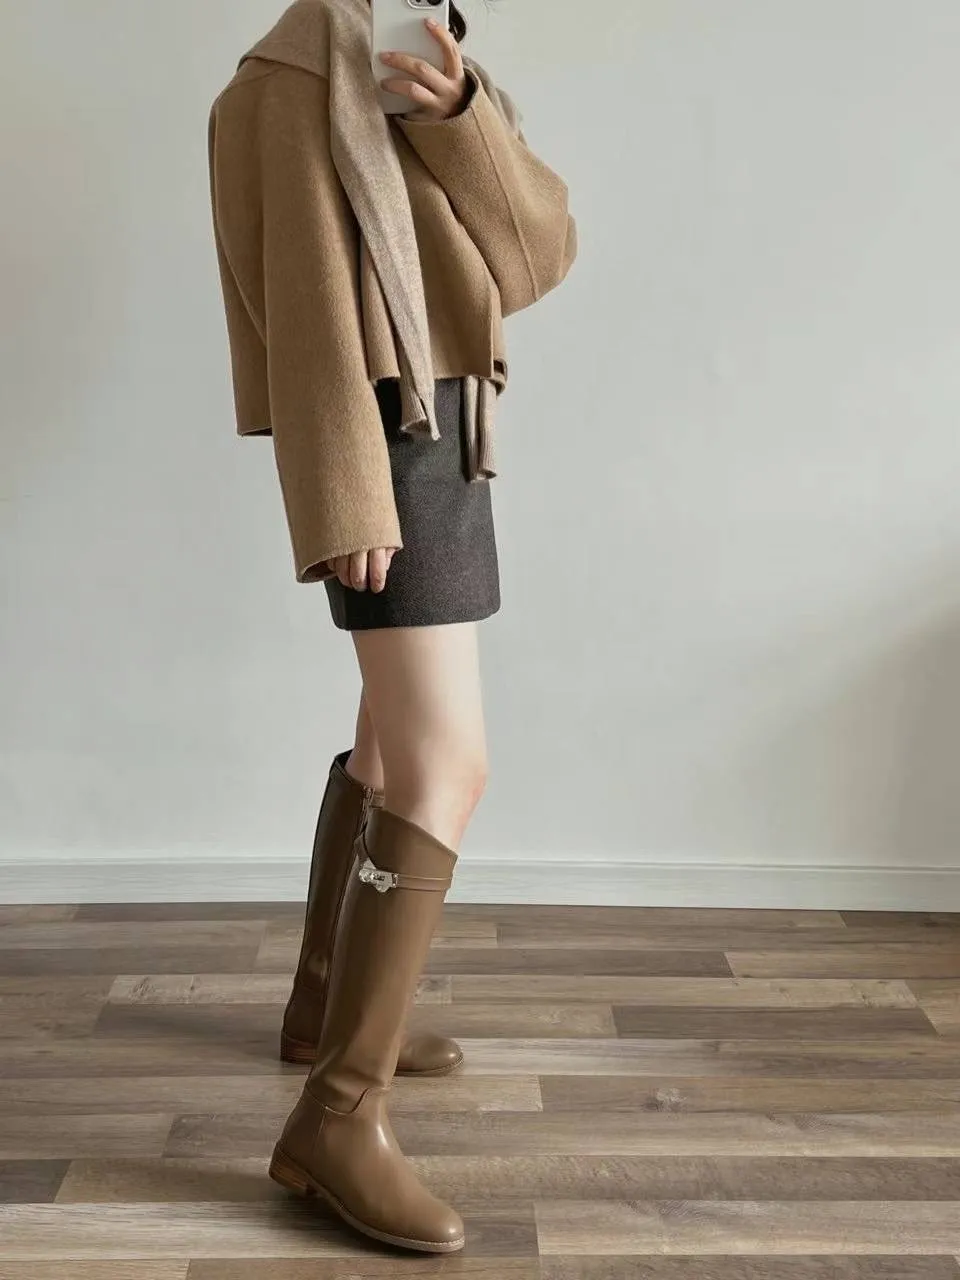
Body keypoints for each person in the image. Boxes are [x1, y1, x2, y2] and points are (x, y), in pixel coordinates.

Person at [208, 0, 576, 1254]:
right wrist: (344, 490)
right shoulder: (291, 72)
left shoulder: (430, 62)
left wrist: (464, 116)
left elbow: (537, 256)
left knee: (389, 744)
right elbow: (297, 302)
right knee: (445, 767)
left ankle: (324, 1006)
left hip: (449, 430)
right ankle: (338, 1116)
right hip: (386, 444)